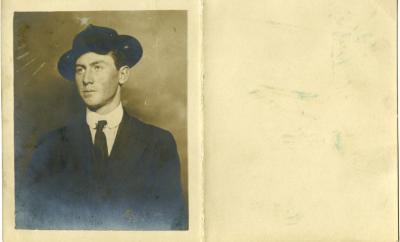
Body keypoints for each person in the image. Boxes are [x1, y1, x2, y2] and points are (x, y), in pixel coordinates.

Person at [16, 24, 187, 230]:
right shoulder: (51, 145)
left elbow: (172, 223)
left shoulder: (158, 143)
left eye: (97, 67)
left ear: (122, 74)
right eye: (80, 70)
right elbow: (30, 220)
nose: (87, 79)